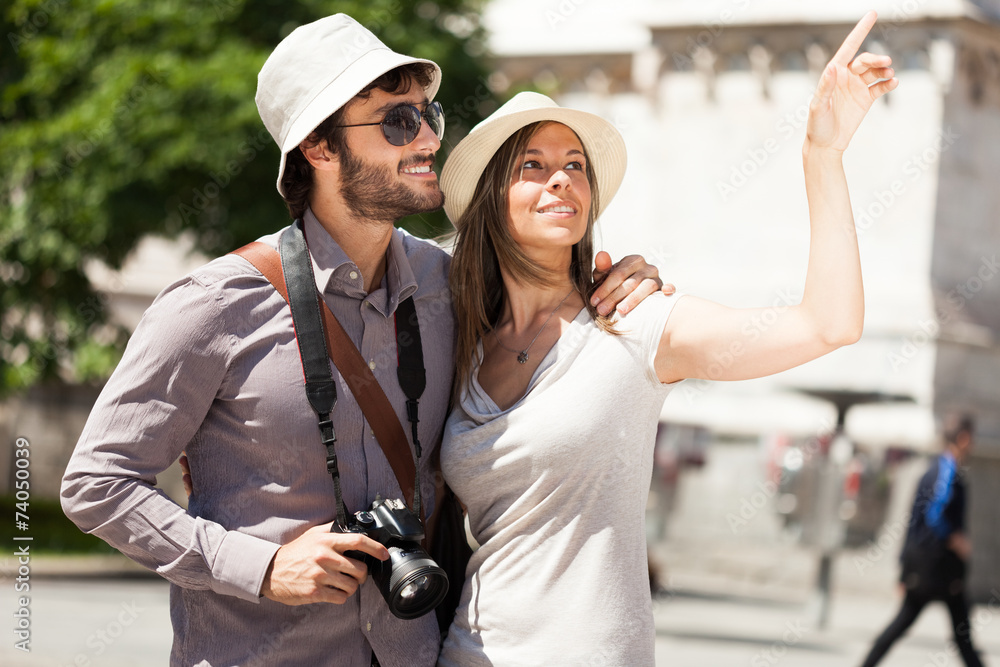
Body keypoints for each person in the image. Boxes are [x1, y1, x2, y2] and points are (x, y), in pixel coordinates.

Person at [59, 14, 666, 667]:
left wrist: (625, 278)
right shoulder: (213, 306)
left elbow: (553, 296)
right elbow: (96, 481)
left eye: (427, 115)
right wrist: (263, 567)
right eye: (396, 121)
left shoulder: (451, 285)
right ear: (320, 147)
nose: (428, 136)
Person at [435, 12, 897, 666]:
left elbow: (828, 322)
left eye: (574, 164)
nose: (561, 177)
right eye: (532, 165)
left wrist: (822, 155)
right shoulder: (458, 340)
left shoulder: (636, 322)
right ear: (492, 198)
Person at [859, 414, 984, 667]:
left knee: (958, 635)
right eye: (971, 437)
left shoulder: (944, 469)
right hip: (936, 568)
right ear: (962, 438)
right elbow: (934, 515)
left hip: (936, 568)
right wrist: (955, 539)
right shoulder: (945, 470)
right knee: (911, 625)